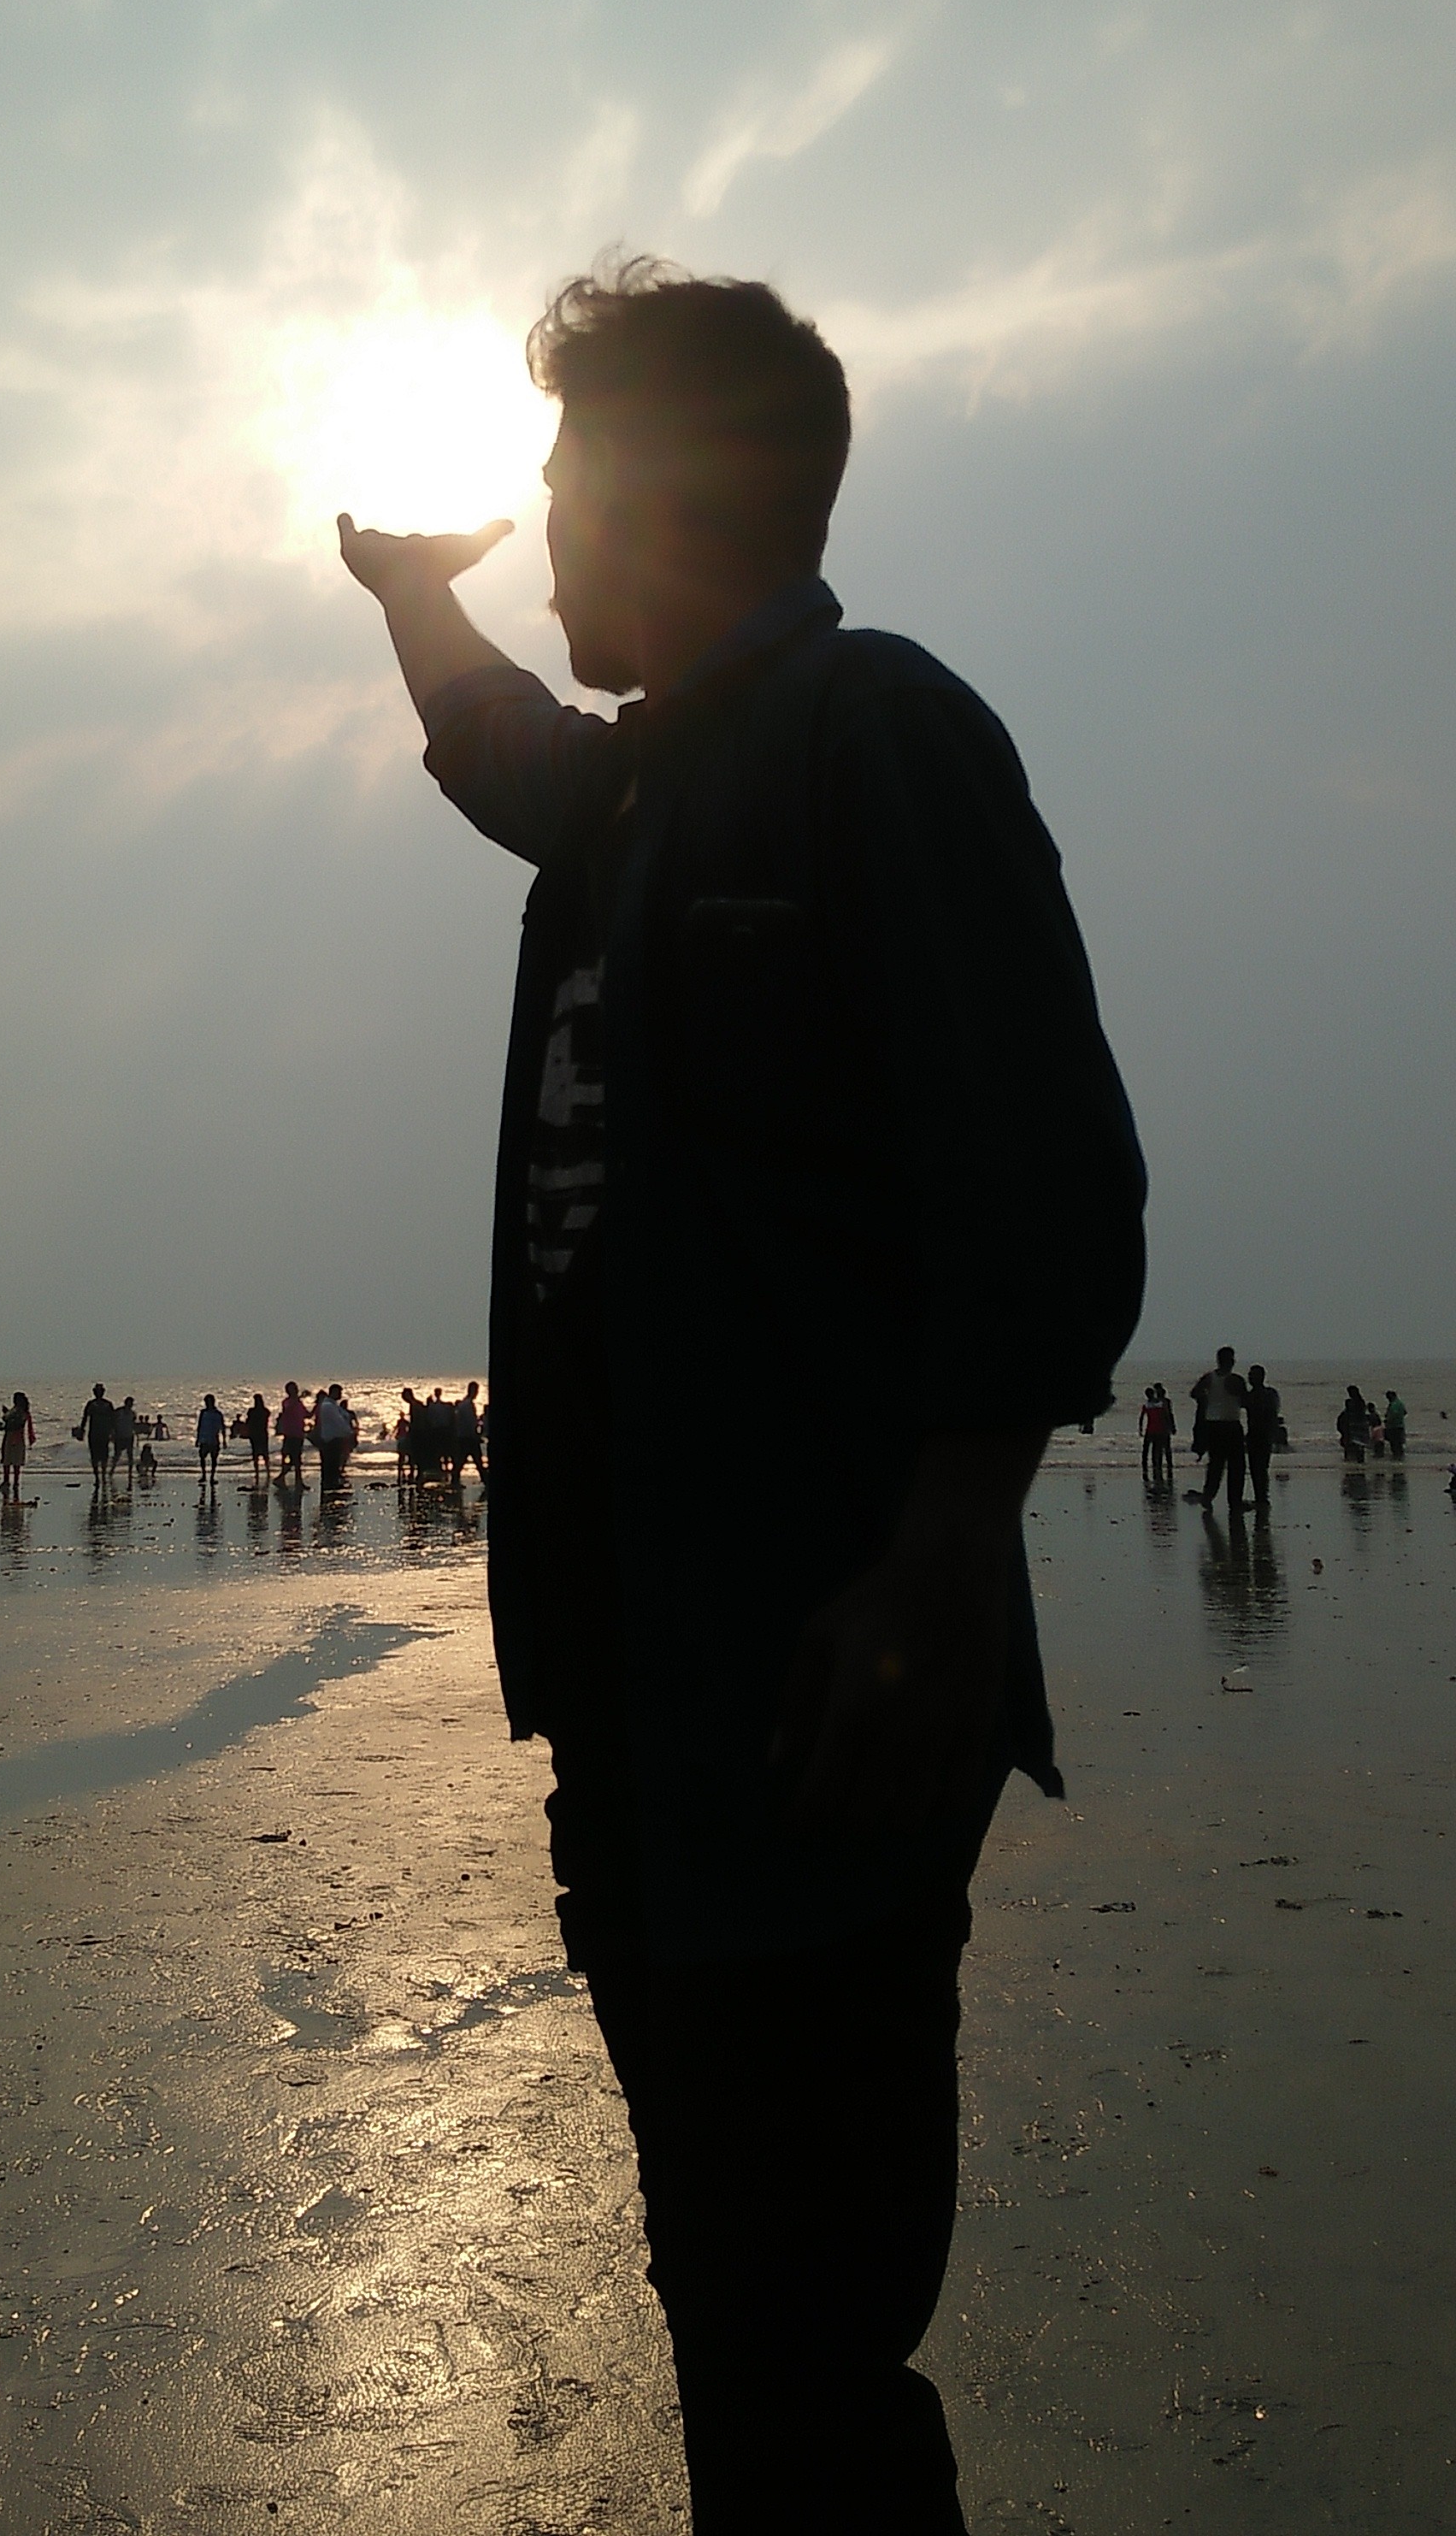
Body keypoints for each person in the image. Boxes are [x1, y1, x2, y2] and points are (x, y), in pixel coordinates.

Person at [339, 258, 1147, 2534]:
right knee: (729, 2304)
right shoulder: (632, 797)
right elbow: (499, 749)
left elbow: (1046, 1181)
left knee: (805, 2339)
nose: (542, 537)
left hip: (817, 1688)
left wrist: (939, 1558)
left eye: (561, 487)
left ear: (668, 493)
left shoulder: (868, 734)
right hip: (638, 1698)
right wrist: (408, 600)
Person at [1190, 1349, 1247, 1513]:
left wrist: (1206, 1401)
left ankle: (1208, 1496)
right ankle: (1235, 1501)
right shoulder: (1236, 1380)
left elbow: (1194, 1393)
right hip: (1231, 1424)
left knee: (1215, 1465)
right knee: (1237, 1466)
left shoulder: (1209, 1378)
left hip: (1213, 1425)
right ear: (1231, 1361)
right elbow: (1244, 1401)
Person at [1245, 1364, 1282, 1512]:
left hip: (1263, 1434)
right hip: (1257, 1434)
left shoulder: (1264, 1394)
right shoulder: (1254, 1395)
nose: (1250, 1378)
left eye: (1252, 1375)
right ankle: (1260, 1497)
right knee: (1257, 1468)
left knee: (1260, 1467)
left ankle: (1262, 1497)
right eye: (1250, 1375)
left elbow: (1273, 1413)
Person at [315, 1382, 356, 1498]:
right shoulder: (328, 1406)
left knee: (333, 1466)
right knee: (331, 1466)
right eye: (339, 1392)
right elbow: (339, 1422)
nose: (341, 1394)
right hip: (331, 1440)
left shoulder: (332, 1405)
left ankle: (330, 1489)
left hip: (334, 1439)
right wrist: (349, 1432)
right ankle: (330, 1491)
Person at [76, 1383, 115, 1493]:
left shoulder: (108, 1404)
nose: (98, 1393)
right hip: (94, 1433)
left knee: (104, 1456)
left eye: (100, 1391)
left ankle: (102, 1476)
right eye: (97, 1391)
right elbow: (85, 1418)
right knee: (95, 1456)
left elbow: (113, 1419)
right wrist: (82, 1430)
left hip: (104, 1433)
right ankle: (98, 1477)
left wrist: (113, 1432)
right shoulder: (91, 1404)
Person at [452, 1379, 487, 1483]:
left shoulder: (463, 1404)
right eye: (476, 1391)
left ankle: (455, 1479)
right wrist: (476, 1434)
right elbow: (470, 1422)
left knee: (462, 1460)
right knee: (476, 1460)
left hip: (463, 1436)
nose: (477, 1393)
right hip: (469, 1437)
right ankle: (485, 1479)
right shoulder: (468, 1405)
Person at [1137, 1383, 1173, 1485]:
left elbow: (1141, 1418)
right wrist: (1170, 1426)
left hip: (1151, 1430)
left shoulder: (1148, 1405)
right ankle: (1157, 1467)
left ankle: (1148, 1467)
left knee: (1148, 1450)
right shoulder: (1160, 1404)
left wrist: (1140, 1428)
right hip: (1159, 1430)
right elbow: (1167, 1416)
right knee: (1157, 1450)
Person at [1, 1393, 35, 1498]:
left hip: (11, 1436)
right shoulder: (24, 1412)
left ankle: (7, 1481)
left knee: (7, 1460)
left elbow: (8, 1420)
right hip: (19, 1437)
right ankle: (16, 1481)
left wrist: (5, 1413)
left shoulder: (17, 1411)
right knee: (17, 1461)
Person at [275, 1382, 308, 1487]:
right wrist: (300, 1397)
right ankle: (282, 1478)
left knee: (297, 1459)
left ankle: (298, 1481)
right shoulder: (287, 1402)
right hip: (290, 1434)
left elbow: (307, 1415)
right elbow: (288, 1407)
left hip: (299, 1434)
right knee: (291, 1458)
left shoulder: (299, 1403)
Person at [195, 1392, 227, 1489]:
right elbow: (199, 1426)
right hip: (204, 1438)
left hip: (214, 1439)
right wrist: (197, 1439)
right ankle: (204, 1475)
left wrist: (224, 1440)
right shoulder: (203, 1413)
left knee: (214, 1459)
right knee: (202, 1458)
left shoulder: (218, 1413)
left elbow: (222, 1427)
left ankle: (212, 1477)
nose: (207, 1403)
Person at [1337, 1385, 1370, 1462]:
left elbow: (1348, 1416)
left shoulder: (1352, 1404)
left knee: (1350, 1450)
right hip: (1359, 1429)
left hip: (1352, 1429)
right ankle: (1359, 1464)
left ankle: (1352, 1465)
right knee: (1359, 1449)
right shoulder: (1361, 1403)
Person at [245, 1392, 272, 1483]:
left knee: (255, 1454)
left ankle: (257, 1472)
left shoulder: (251, 1412)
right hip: (262, 1433)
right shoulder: (265, 1411)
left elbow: (248, 1422)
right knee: (265, 1453)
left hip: (255, 1434)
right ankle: (268, 1471)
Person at [111, 1395, 138, 1486]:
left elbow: (133, 1424)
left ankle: (130, 1473)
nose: (130, 1405)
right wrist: (113, 1433)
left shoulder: (133, 1413)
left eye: (131, 1404)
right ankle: (111, 1471)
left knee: (130, 1456)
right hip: (119, 1436)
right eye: (129, 1403)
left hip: (129, 1436)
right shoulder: (119, 1412)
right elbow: (113, 1422)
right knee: (117, 1455)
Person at [1384, 1387, 1408, 1460]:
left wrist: (1387, 1421)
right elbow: (1405, 1412)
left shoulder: (1393, 1405)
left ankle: (1396, 1458)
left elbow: (1393, 1415)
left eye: (1389, 1398)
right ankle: (1400, 1458)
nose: (1388, 1399)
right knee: (1400, 1444)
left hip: (1393, 1427)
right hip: (1401, 1426)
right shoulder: (1401, 1403)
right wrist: (1400, 1418)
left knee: (1394, 1445)